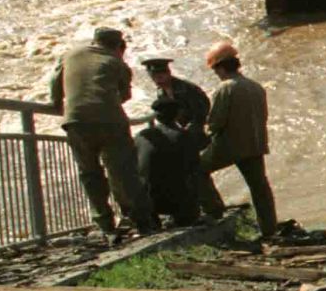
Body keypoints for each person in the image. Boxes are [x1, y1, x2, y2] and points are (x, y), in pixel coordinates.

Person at [48, 27, 153, 242]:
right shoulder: (117, 62)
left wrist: (58, 104)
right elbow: (125, 95)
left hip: (76, 121)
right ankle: (139, 220)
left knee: (89, 173)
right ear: (118, 47)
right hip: (110, 121)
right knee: (123, 171)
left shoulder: (69, 54)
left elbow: (54, 84)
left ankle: (105, 225)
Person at [200, 40, 278, 240]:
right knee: (259, 186)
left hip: (229, 145)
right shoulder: (256, 87)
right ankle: (269, 228)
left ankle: (214, 212)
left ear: (221, 68)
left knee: (197, 169)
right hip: (255, 144)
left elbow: (216, 123)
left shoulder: (224, 89)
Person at [141, 53, 224, 218]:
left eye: (160, 74)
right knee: (182, 173)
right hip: (179, 137)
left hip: (194, 136)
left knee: (197, 171)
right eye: (154, 76)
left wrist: (192, 128)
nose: (157, 79)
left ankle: (213, 208)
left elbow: (203, 109)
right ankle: (194, 208)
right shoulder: (161, 93)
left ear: (168, 73)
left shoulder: (187, 89)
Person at [135, 98, 201, 228]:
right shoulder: (184, 136)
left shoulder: (141, 136)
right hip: (176, 200)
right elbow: (194, 167)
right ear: (178, 114)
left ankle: (152, 221)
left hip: (148, 201)